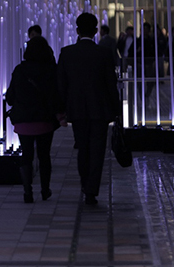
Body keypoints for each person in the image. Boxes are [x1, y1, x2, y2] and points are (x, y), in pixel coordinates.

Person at [57, 13, 121, 205]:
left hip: (77, 110)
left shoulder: (67, 53)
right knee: (98, 150)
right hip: (100, 110)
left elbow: (61, 85)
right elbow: (111, 83)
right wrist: (116, 109)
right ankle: (91, 189)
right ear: (95, 32)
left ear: (77, 31)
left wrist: (62, 110)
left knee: (82, 148)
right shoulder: (103, 54)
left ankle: (85, 183)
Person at [5, 36, 63, 203]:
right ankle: (45, 190)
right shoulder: (51, 70)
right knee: (44, 155)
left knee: (26, 155)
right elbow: (55, 96)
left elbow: (10, 96)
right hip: (44, 120)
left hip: (23, 121)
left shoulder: (19, 70)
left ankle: (27, 191)